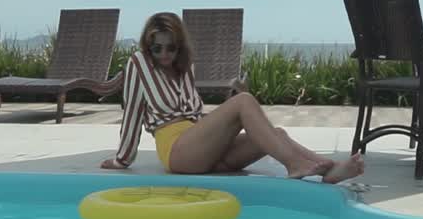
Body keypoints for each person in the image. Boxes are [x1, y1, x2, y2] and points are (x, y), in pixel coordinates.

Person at [100, 12, 364, 183]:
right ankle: (295, 165)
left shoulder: (184, 68)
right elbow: (132, 112)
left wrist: (221, 127)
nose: (164, 54)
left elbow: (194, 115)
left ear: (179, 46)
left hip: (201, 149)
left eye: (171, 47)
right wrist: (122, 159)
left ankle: (329, 169)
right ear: (148, 46)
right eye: (157, 48)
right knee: (244, 102)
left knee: (277, 134)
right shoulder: (139, 64)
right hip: (176, 151)